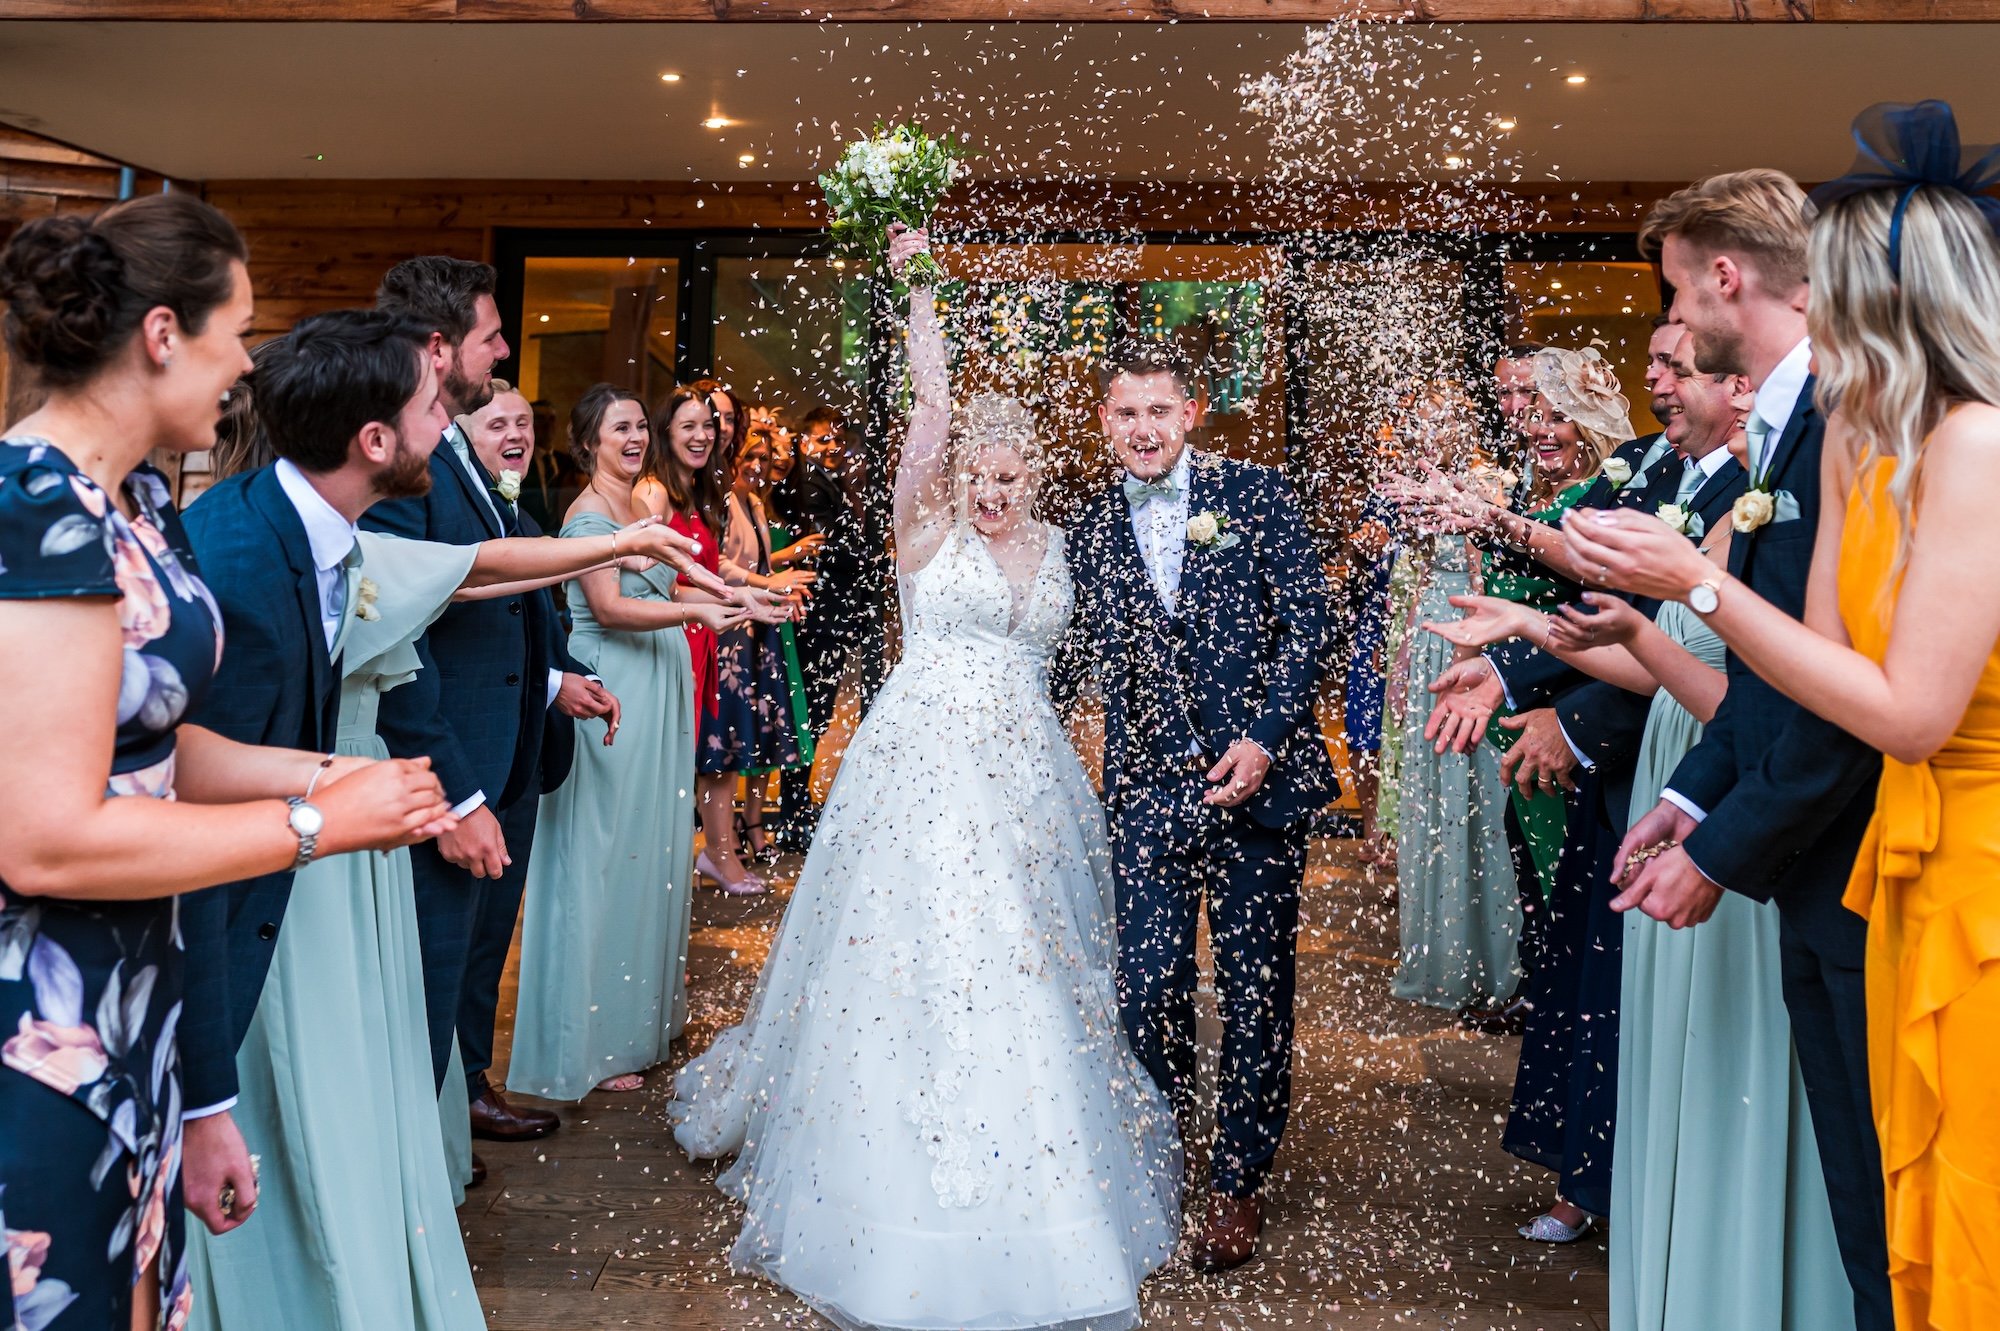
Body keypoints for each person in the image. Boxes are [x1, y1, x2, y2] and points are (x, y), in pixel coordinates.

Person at [672, 226, 1180, 1330]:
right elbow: (935, 408)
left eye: (1006, 477)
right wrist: (917, 292)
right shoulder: (922, 531)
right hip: (919, 777)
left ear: (1033, 472)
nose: (987, 493)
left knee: (1028, 954)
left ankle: (1041, 1178)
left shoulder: (1063, 548)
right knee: (916, 943)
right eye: (974, 476)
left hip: (1031, 780)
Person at [1570, 102, 2000, 1331]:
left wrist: (1687, 584)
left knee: (1952, 1193)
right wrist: (1672, 625)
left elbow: (1908, 712)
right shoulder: (1871, 445)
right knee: (1886, 1209)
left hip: (1960, 861)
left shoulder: (1967, 446)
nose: (1815, 318)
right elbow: (1803, 661)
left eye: (1839, 296)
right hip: (1890, 865)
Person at [0, 195, 452, 1331]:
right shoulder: (33, 511)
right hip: (40, 1013)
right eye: (233, 328)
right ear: (162, 332)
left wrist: (316, 772)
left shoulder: (139, 497)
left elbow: (152, 739)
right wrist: (316, 827)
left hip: (141, 985)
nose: (246, 361)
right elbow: (47, 832)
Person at [1580, 167, 1894, 1331]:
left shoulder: (1842, 420)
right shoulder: (1786, 422)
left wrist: (1719, 851)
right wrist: (1691, 797)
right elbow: (1771, 670)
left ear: (1723, 277)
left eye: (1673, 291)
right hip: (1806, 865)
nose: (1669, 323)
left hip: (1860, 863)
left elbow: (1837, 692)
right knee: (1858, 1196)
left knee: (1887, 1199)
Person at [1065, 323, 1337, 1267]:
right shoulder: (1090, 530)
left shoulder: (1256, 495)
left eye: (1160, 410)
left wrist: (1264, 739)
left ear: (1192, 412)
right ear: (1104, 421)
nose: (1144, 428)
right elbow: (1064, 664)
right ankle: (1163, 1152)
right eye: (1126, 412)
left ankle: (1237, 1182)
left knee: (1258, 992)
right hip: (1145, 795)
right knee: (1148, 989)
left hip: (1257, 792)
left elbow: (1311, 622)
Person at [362, 260, 608, 1169]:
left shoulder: (457, 457)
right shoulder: (405, 462)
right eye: (492, 335)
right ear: (439, 348)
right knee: (425, 978)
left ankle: (451, 1119)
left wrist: (554, 677)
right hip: (441, 759)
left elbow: (507, 590)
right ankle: (419, 1161)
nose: (507, 350)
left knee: (467, 961)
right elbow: (408, 634)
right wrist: (454, 788)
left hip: (500, 747)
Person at [510, 385, 764, 1101]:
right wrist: (696, 611)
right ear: (588, 440)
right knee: (604, 854)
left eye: (637, 428)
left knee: (651, 849)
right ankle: (589, 1038)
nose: (634, 439)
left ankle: (641, 1021)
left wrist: (743, 596)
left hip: (659, 686)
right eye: (619, 428)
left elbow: (679, 573)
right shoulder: (587, 515)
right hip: (614, 685)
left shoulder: (639, 507)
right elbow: (610, 607)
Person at [635, 386, 805, 894]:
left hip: (705, 637)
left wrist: (749, 603)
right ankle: (653, 886)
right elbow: (642, 581)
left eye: (709, 426)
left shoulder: (698, 490)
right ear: (665, 432)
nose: (704, 435)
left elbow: (705, 571)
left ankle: (708, 863)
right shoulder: (654, 491)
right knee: (673, 772)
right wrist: (742, 597)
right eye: (689, 426)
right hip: (671, 641)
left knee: (716, 756)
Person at [1385, 386, 1522, 1014]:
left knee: (1471, 791)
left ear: (1463, 425)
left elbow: (1479, 571)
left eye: (1438, 423)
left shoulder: (1486, 484)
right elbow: (1416, 573)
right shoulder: (1423, 482)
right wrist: (1407, 653)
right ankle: (1437, 950)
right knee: (1431, 791)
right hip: (1431, 636)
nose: (1426, 434)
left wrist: (1468, 657)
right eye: (1419, 424)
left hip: (1468, 637)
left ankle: (1490, 957)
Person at [727, 426, 820, 860]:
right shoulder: (727, 502)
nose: (758, 466)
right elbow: (726, 565)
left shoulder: (757, 503)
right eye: (752, 456)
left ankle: (754, 823)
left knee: (767, 728)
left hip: (768, 619)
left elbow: (761, 562)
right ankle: (729, 829)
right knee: (735, 730)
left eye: (765, 459)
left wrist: (783, 586)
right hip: (736, 622)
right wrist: (782, 569)